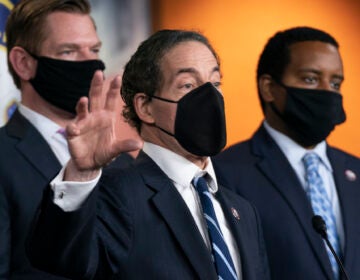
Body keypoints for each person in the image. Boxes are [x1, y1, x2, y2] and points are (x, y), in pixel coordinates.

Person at [27, 29, 270, 280]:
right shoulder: (116, 194)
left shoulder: (243, 210)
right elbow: (61, 260)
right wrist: (81, 173)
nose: (209, 96)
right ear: (145, 107)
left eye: (215, 83)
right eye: (187, 85)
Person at [0, 1, 134, 278]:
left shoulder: (122, 164)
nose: (91, 65)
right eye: (69, 51)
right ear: (23, 63)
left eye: (94, 50)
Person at [213, 26, 360, 280]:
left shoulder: (356, 171)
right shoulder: (225, 173)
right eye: (311, 79)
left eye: (335, 83)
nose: (327, 91)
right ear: (269, 88)